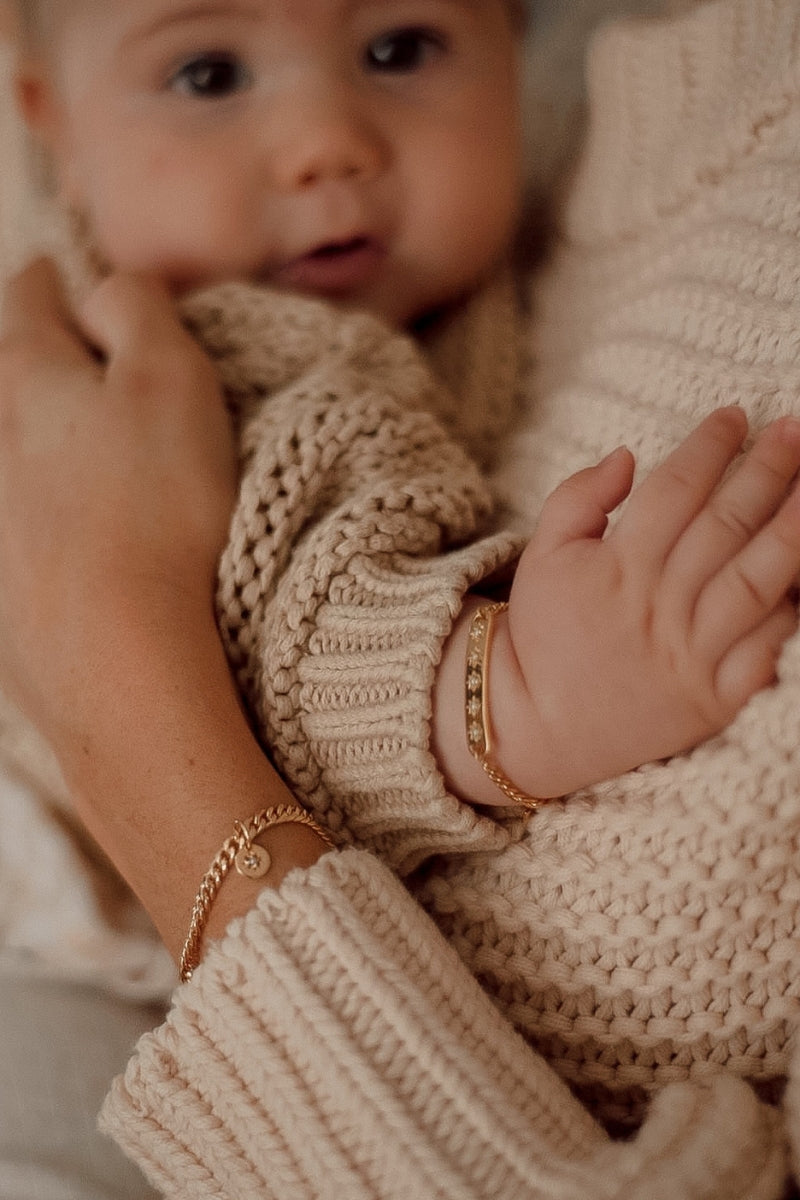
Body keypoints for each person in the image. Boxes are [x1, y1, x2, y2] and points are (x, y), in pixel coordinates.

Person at [0, 0, 799, 1196]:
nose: (327, 141)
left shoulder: (493, 269)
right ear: (53, 125)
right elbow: (276, 648)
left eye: (399, 48)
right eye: (207, 73)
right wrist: (509, 693)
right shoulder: (215, 349)